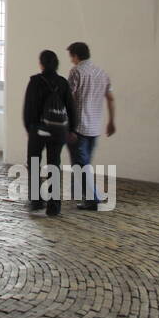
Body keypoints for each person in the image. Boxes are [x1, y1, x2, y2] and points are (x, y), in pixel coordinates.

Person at [23, 49, 79, 216]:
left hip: (38, 130)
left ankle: (36, 201)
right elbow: (71, 108)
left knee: (34, 163)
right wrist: (72, 129)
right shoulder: (62, 83)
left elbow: (28, 108)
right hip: (58, 131)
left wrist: (30, 129)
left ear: (41, 64)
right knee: (54, 165)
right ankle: (54, 206)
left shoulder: (34, 82)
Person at [66, 41, 115, 210]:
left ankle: (92, 199)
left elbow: (69, 98)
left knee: (81, 164)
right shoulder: (101, 72)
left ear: (76, 56)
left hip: (79, 127)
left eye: (71, 57)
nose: (71, 60)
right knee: (83, 163)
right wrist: (111, 121)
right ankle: (80, 192)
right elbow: (110, 98)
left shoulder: (76, 72)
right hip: (95, 127)